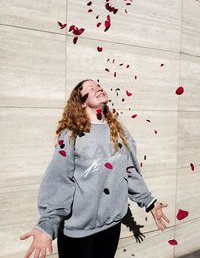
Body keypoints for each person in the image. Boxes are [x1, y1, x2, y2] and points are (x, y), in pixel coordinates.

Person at [20, 79, 170, 258]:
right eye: (92, 88)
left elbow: (128, 171)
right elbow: (59, 181)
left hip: (111, 226)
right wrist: (47, 224)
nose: (99, 89)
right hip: (77, 231)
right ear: (82, 102)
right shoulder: (70, 136)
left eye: (99, 86)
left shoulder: (119, 131)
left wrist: (149, 202)